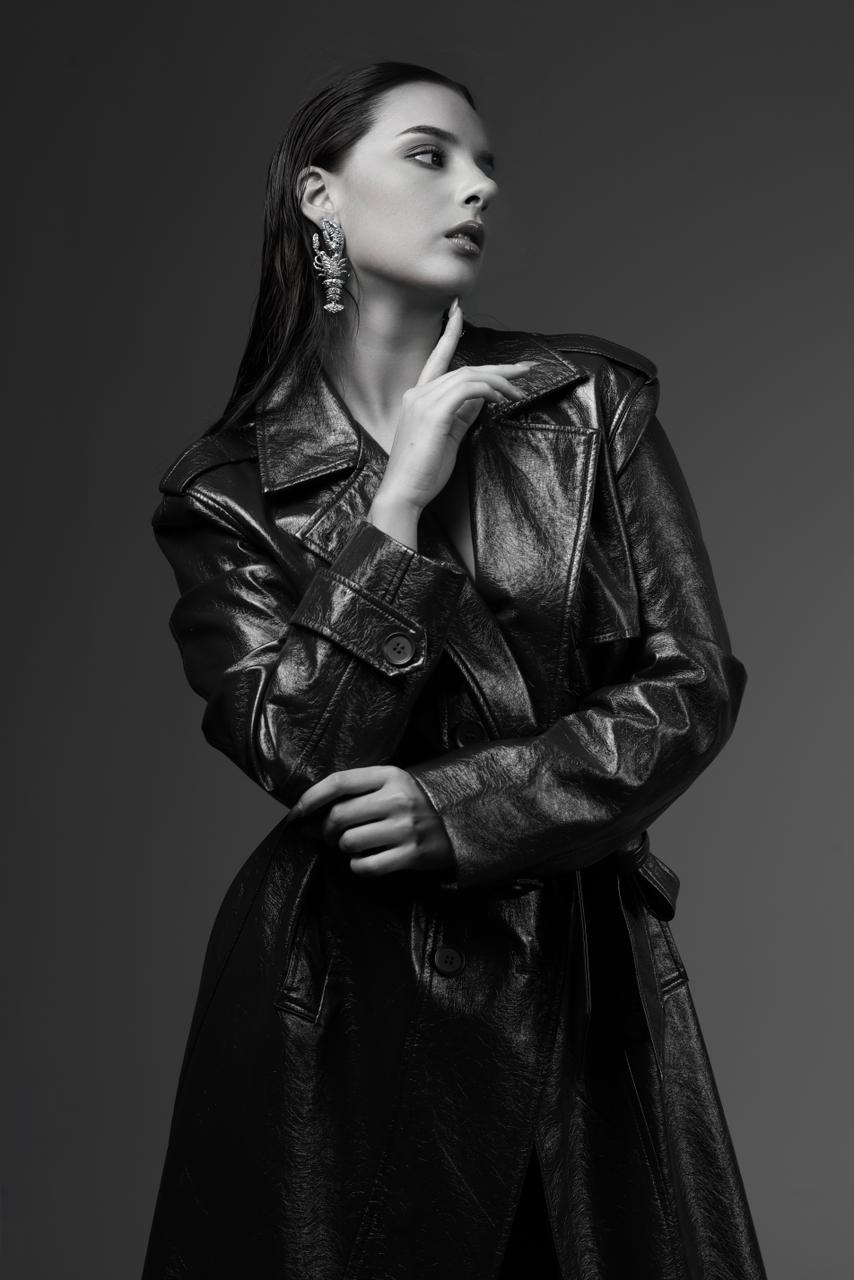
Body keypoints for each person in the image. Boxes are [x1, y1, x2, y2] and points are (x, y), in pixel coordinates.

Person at [142, 61, 768, 1280]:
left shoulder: (584, 403)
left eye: (485, 165)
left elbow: (690, 681)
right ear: (319, 197)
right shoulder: (224, 490)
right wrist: (397, 502)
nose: (476, 185)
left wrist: (463, 804)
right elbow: (302, 750)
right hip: (342, 1003)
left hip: (579, 973)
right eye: (430, 155)